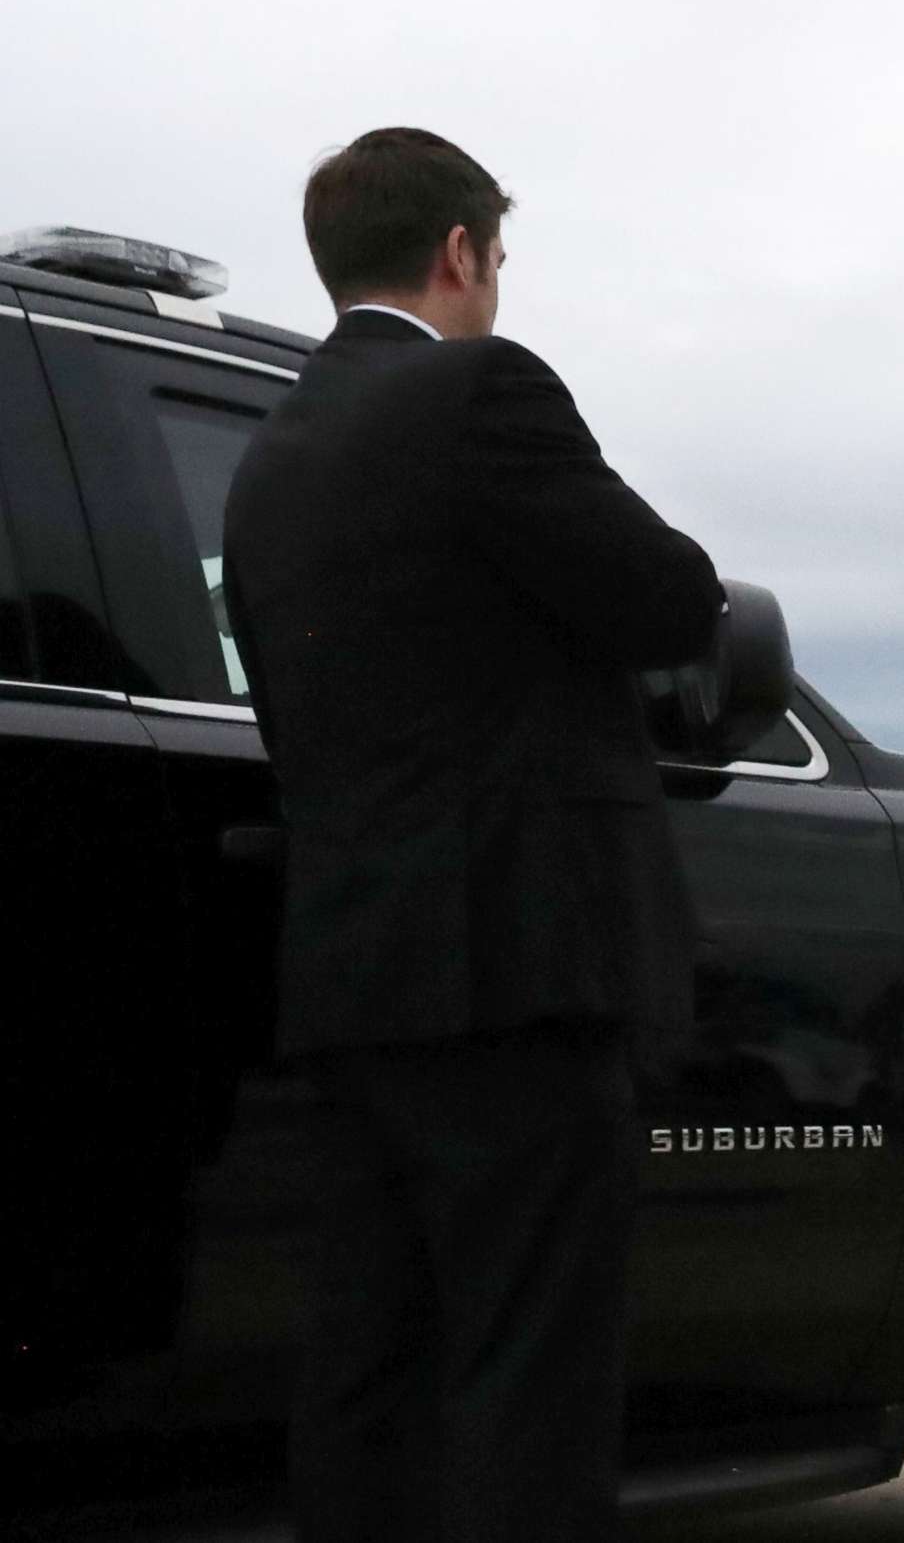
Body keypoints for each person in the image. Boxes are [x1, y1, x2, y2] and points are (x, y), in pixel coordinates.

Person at [222, 128, 724, 1539]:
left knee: (370, 1370)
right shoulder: (477, 391)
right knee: (530, 1379)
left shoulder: (270, 460)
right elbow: (668, 596)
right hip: (516, 972)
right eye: (494, 258)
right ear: (460, 253)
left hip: (354, 981)